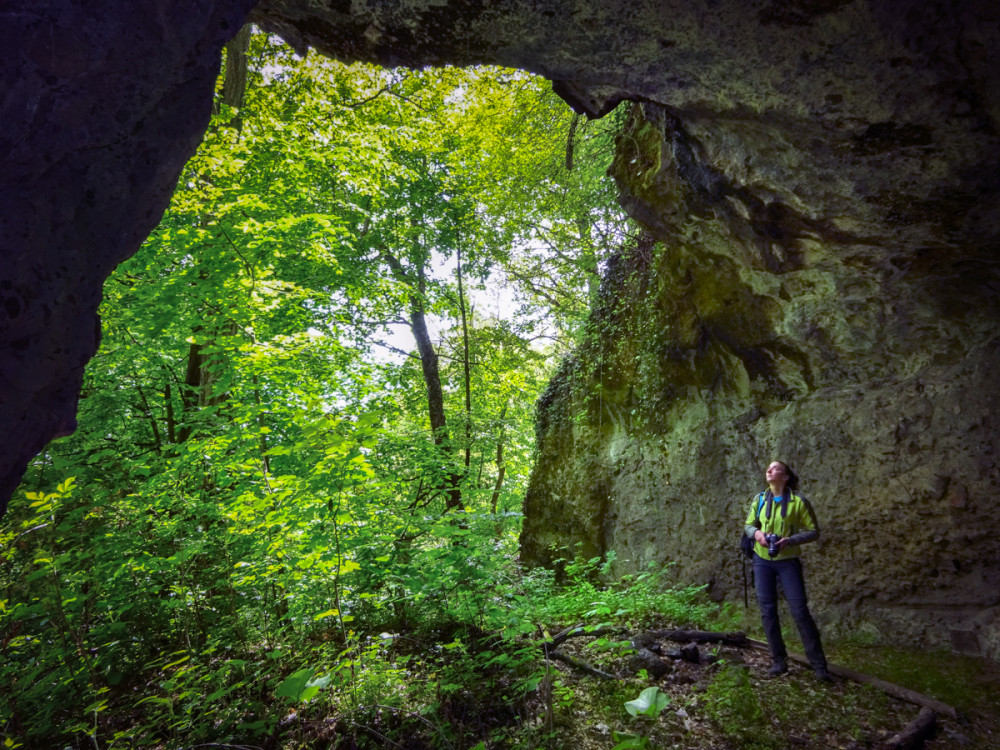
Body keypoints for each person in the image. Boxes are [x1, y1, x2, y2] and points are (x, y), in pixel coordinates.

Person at [744, 460, 831, 681]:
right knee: (767, 610)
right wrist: (758, 535)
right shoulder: (760, 498)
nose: (769, 470)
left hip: (788, 561)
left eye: (775, 469)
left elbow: (813, 531)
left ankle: (819, 667)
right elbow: (748, 525)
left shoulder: (798, 501)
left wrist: (789, 540)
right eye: (768, 468)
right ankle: (779, 661)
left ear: (785, 477)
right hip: (762, 560)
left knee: (800, 611)